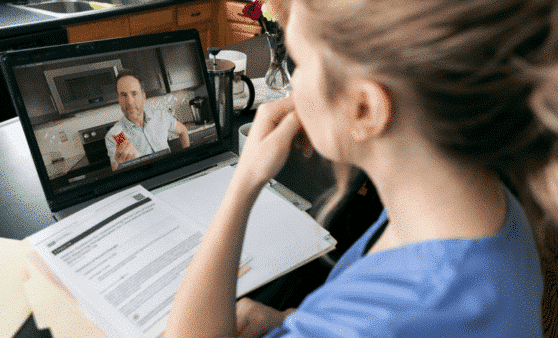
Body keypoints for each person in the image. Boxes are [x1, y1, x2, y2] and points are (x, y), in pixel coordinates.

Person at [162, 0, 558, 337]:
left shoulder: (371, 323)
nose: (292, 87)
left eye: (296, 62)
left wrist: (244, 181)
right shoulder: (489, 207)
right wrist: (290, 320)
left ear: (364, 108)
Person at [105, 69, 190, 171]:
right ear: (119, 100)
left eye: (134, 93)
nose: (129, 102)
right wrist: (120, 163)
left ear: (143, 97)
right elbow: (116, 169)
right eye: (123, 95)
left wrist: (187, 159)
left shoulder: (161, 117)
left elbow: (183, 130)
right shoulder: (116, 136)